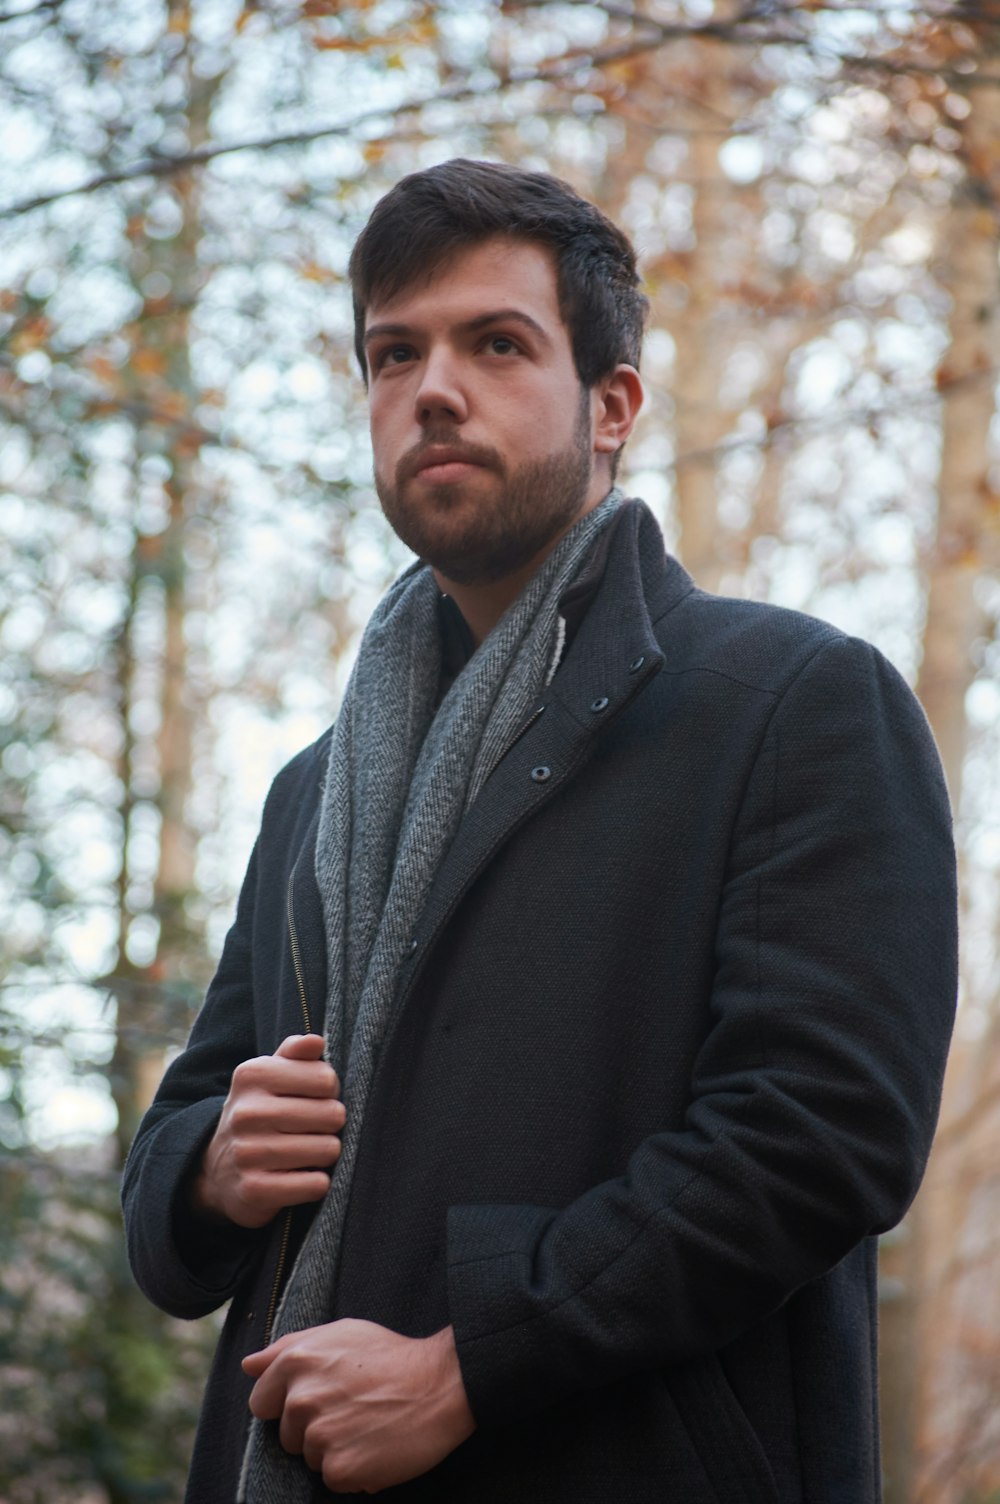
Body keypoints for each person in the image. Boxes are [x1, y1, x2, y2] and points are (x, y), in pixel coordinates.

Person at [122, 158, 958, 1504]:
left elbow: (818, 1136)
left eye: (496, 344)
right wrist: (214, 1166)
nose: (432, 388)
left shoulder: (793, 705)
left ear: (612, 404)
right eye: (393, 355)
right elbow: (174, 1162)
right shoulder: (312, 793)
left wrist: (470, 1366)